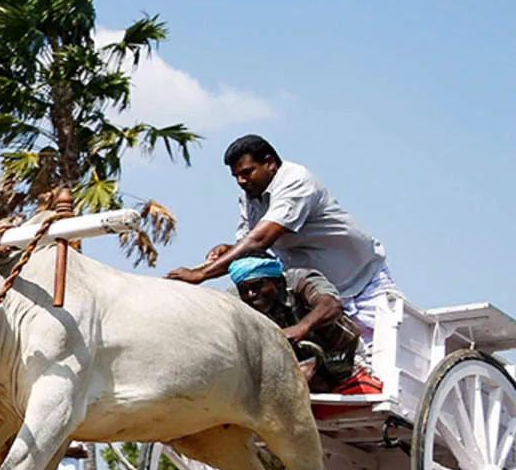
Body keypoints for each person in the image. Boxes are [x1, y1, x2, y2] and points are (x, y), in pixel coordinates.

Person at [166, 134, 400, 353]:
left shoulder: (295, 181)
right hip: (314, 293)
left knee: (387, 363)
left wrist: (201, 275)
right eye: (236, 176)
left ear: (269, 163)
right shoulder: (250, 196)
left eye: (247, 172)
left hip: (363, 285)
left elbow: (259, 240)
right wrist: (229, 249)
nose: (241, 180)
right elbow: (248, 246)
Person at [229, 253, 363, 393]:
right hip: (289, 367)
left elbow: (331, 305)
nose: (251, 294)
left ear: (277, 281)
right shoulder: (234, 301)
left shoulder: (299, 279)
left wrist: (301, 328)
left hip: (342, 357)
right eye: (243, 289)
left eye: (257, 285)